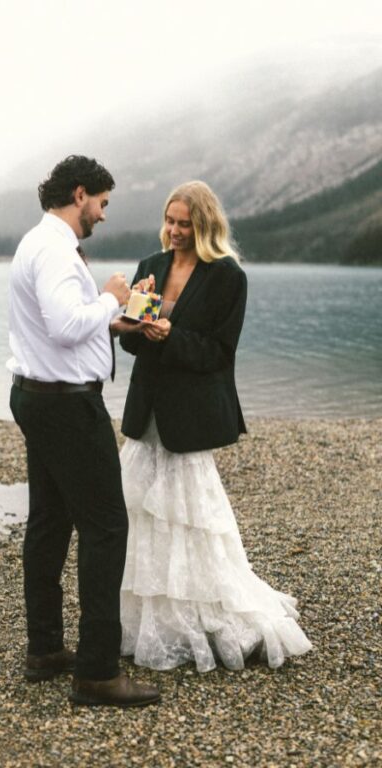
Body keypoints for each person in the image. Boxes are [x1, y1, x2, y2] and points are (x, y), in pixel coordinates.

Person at [114, 181, 312, 671]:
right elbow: (132, 346)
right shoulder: (150, 267)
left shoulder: (228, 277)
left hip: (190, 415)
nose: (175, 231)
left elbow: (219, 353)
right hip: (148, 412)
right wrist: (137, 322)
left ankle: (203, 615)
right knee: (138, 513)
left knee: (191, 517)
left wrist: (170, 336)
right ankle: (149, 621)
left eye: (185, 223)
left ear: (204, 225)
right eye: (170, 221)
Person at [7, 155, 160, 707]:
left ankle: (45, 649)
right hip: (67, 408)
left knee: (50, 520)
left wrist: (119, 321)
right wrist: (112, 297)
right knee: (106, 527)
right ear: (79, 193)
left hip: (41, 397)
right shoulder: (52, 248)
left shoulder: (40, 242)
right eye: (101, 202)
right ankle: (97, 670)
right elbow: (67, 325)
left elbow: (67, 324)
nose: (102, 213)